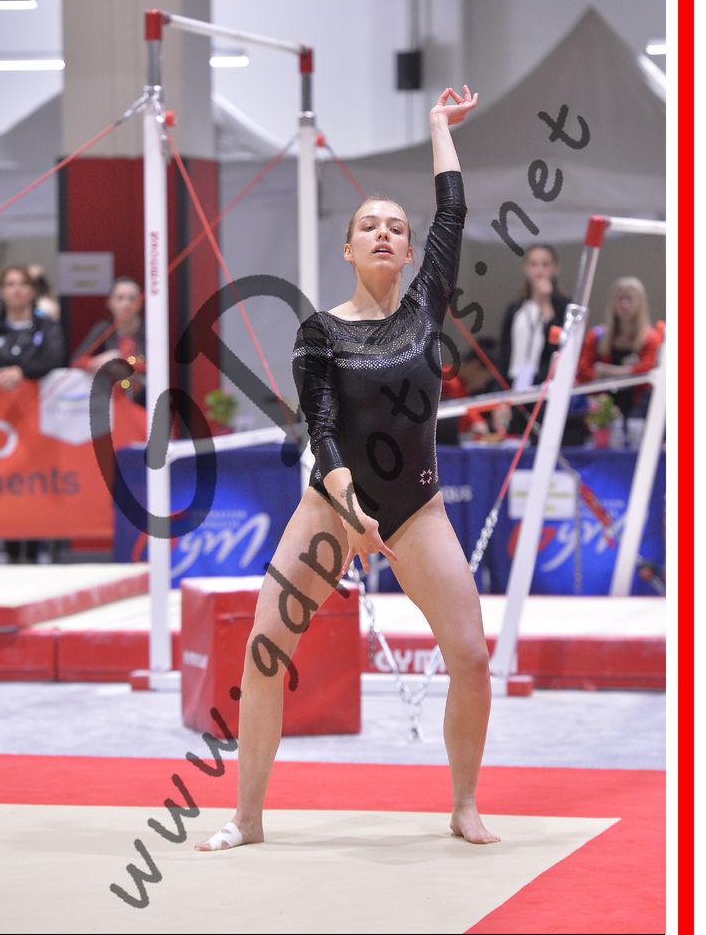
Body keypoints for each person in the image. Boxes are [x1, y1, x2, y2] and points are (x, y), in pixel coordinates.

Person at [196, 86, 499, 852]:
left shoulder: (426, 308)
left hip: (416, 509)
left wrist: (438, 125)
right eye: (370, 226)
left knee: (470, 656)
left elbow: (453, 209)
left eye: (397, 227)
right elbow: (321, 427)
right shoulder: (319, 330)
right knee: (264, 654)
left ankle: (464, 803)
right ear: (349, 249)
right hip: (330, 511)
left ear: (410, 251)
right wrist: (345, 503)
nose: (385, 234)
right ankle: (247, 818)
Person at [494, 245, 570, 438]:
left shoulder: (563, 306)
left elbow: (560, 348)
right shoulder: (516, 308)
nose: (539, 270)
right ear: (526, 268)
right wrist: (500, 397)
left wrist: (546, 303)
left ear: (555, 268)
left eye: (545, 264)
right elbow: (504, 355)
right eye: (534, 264)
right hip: (516, 386)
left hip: (545, 389)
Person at [576, 276, 664, 421]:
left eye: (630, 299)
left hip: (637, 411)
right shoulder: (596, 335)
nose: (624, 305)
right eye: (620, 299)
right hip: (600, 408)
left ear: (641, 303)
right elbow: (583, 369)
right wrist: (627, 371)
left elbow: (647, 373)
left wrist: (607, 371)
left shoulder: (651, 339)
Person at [0, 264, 65, 388]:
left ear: (33, 291)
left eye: (23, 284)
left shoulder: (47, 327)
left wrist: (22, 371)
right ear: (1, 292)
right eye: (10, 284)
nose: (17, 290)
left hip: (37, 395)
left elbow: (54, 358)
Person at [72, 276, 146, 406]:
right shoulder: (103, 329)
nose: (126, 304)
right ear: (110, 302)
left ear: (140, 303)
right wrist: (95, 362)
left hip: (145, 400)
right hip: (110, 401)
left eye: (132, 298)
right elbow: (77, 361)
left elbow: (158, 365)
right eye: (120, 298)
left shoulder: (151, 330)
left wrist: (123, 360)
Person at [438, 337, 501, 443]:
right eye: (486, 379)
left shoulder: (462, 387)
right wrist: (477, 424)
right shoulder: (446, 381)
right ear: (475, 366)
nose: (483, 385)